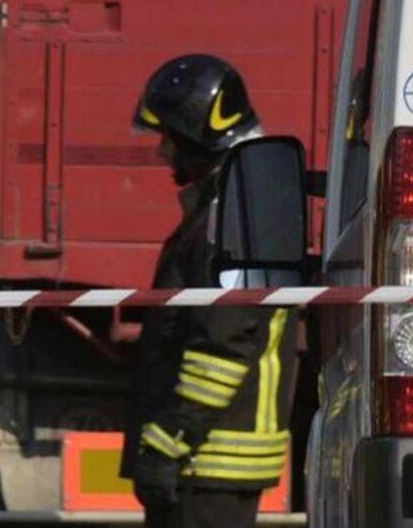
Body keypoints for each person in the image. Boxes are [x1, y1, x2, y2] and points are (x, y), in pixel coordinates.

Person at [122, 54, 297, 528]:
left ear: (201, 138)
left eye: (170, 140)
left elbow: (223, 343)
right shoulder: (238, 206)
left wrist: (169, 440)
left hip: (210, 458)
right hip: (205, 460)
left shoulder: (234, 219)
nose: (162, 153)